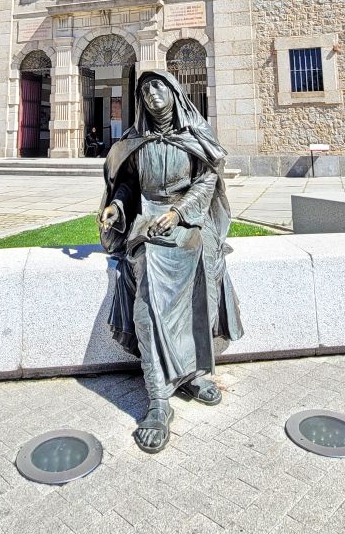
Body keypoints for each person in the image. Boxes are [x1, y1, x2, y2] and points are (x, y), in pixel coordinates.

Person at [98, 70, 243, 454]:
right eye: (144, 89)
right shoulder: (137, 142)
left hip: (189, 221)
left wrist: (178, 213)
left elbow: (207, 181)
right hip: (148, 223)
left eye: (157, 86)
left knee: (204, 271)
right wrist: (117, 207)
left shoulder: (194, 135)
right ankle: (159, 398)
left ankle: (193, 373)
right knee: (149, 299)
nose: (151, 94)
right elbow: (128, 184)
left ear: (174, 92)